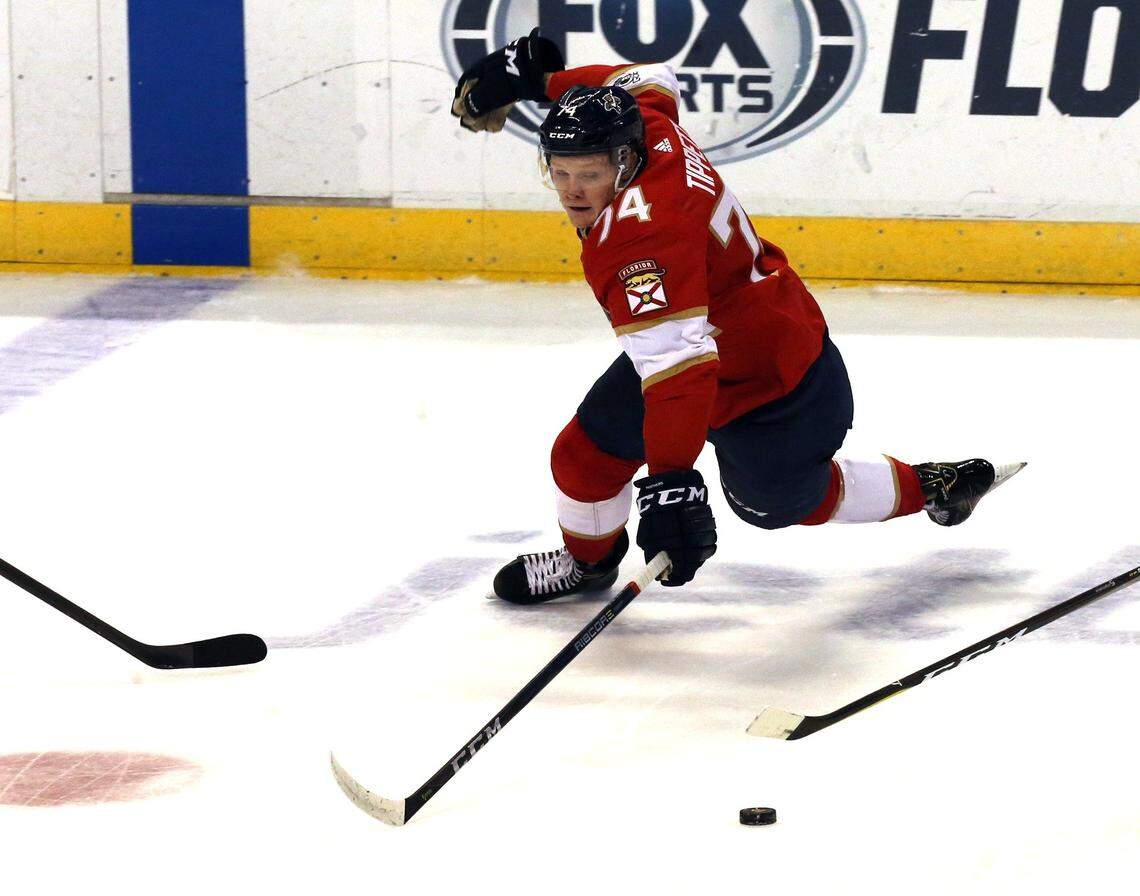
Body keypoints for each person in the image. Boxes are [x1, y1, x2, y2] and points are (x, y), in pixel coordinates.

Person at [451, 31, 1023, 603]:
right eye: (561, 172)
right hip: (705, 335)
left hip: (772, 372)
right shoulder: (649, 125)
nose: (573, 192)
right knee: (583, 457)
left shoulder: (636, 243)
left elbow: (681, 374)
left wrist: (670, 485)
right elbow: (651, 75)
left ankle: (931, 486)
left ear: (623, 162)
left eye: (590, 174)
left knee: (774, 505)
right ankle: (589, 564)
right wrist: (541, 83)